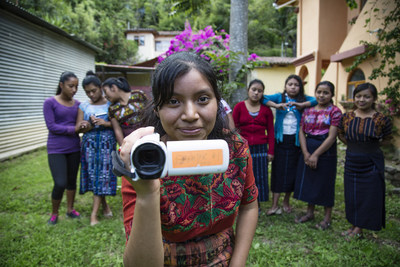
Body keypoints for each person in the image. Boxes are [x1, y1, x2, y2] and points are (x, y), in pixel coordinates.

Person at [117, 52, 259, 266]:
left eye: (202, 99)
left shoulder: (236, 149)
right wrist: (148, 193)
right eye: (174, 101)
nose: (191, 114)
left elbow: (249, 206)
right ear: (157, 108)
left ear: (218, 102)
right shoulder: (146, 161)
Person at [338, 83, 392, 239]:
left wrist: (369, 147)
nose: (362, 100)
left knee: (368, 195)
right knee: (352, 194)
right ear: (354, 98)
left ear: (374, 98)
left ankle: (359, 228)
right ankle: (353, 225)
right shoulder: (347, 117)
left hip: (372, 161)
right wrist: (356, 147)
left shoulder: (381, 119)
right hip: (352, 160)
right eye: (358, 96)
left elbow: (387, 139)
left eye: (366, 96)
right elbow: (341, 134)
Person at [262, 74, 317, 215]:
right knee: (278, 171)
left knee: (292, 171)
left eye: (296, 85)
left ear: (300, 87)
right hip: (280, 140)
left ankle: (286, 201)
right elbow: (263, 98)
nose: (293, 87)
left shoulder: (303, 99)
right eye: (290, 84)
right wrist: (276, 105)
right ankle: (274, 204)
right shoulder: (279, 97)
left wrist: (301, 105)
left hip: (296, 141)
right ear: (285, 86)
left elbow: (316, 100)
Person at [293, 81, 342, 229]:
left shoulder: (335, 111)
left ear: (332, 95)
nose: (322, 95)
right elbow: (301, 131)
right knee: (310, 181)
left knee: (325, 183)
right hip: (309, 147)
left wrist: (316, 155)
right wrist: (306, 152)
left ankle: (327, 218)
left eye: (325, 93)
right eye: (319, 92)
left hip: (325, 150)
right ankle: (310, 212)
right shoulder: (308, 110)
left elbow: (332, 137)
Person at [43, 71, 85, 225]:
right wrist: (73, 129)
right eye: (70, 86)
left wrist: (84, 125)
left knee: (71, 181)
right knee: (60, 182)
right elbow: (51, 126)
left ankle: (70, 209)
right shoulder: (50, 103)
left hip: (74, 147)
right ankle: (54, 213)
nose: (74, 90)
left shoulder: (78, 104)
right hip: (56, 149)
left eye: (76, 87)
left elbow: (81, 124)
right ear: (61, 85)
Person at [76, 71, 117, 226]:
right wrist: (86, 125)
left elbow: (116, 125)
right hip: (90, 145)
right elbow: (77, 129)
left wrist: (104, 123)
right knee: (95, 176)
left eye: (94, 90)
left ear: (100, 87)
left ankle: (94, 215)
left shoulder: (110, 104)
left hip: (107, 144)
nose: (91, 94)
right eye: (88, 92)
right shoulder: (83, 106)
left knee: (103, 175)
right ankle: (104, 206)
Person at [233, 79, 275, 203]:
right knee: (243, 175)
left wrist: (271, 151)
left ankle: (258, 203)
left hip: (261, 147)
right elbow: (234, 129)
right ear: (248, 90)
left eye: (260, 91)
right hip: (243, 148)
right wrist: (236, 148)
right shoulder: (239, 107)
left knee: (260, 176)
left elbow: (271, 131)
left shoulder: (266, 110)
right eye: (254, 89)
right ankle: (244, 201)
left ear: (263, 93)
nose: (256, 93)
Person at [102, 77, 148, 145]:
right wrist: (122, 146)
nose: (105, 96)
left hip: (147, 136)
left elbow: (151, 113)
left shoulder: (138, 95)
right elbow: (117, 130)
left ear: (113, 88)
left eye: (105, 91)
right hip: (130, 141)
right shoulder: (112, 109)